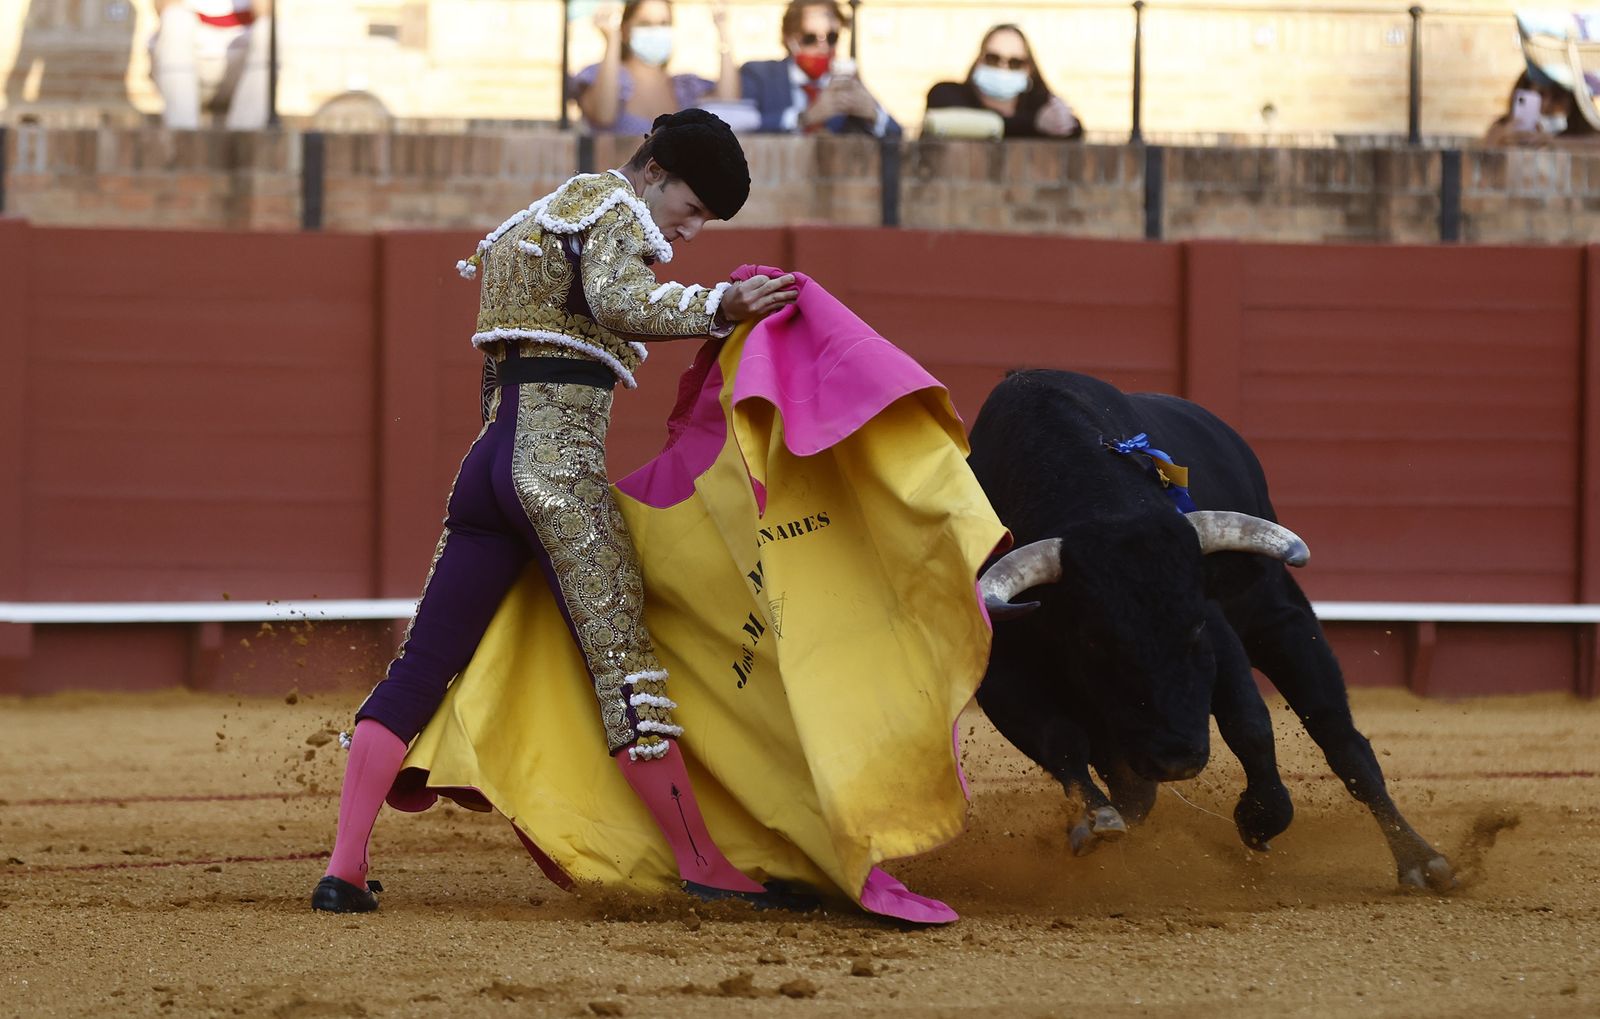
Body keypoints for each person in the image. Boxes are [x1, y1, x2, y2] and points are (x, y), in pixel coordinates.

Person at [312, 109, 801, 914]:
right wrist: (723, 303)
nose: (695, 226)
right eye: (697, 205)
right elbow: (617, 301)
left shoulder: (530, 224)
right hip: (559, 475)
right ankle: (703, 862)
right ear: (657, 172)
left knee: (418, 670)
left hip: (485, 470)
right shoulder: (615, 213)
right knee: (628, 672)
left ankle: (345, 868)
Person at [573, 0, 739, 135]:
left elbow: (728, 104)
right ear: (625, 29)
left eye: (664, 23)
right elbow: (604, 115)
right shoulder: (603, 76)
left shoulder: (684, 87)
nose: (656, 30)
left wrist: (724, 32)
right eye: (645, 23)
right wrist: (612, 40)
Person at [739, 0, 898, 137]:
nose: (824, 47)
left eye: (831, 37)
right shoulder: (758, 74)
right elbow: (742, 125)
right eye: (810, 38)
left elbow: (898, 134)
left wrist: (875, 115)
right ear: (790, 39)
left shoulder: (845, 80)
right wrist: (805, 117)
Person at [924, 24, 1080, 140]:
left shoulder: (1038, 105)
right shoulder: (947, 94)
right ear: (979, 60)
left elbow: (1072, 129)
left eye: (1014, 63)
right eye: (993, 58)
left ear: (1028, 69)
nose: (1002, 67)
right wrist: (1033, 124)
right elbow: (953, 122)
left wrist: (1063, 122)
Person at [148, 0, 272, 130]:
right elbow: (165, 8)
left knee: (269, 30)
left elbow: (264, 12)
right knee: (175, 18)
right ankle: (184, 138)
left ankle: (241, 140)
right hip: (190, 71)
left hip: (241, 74)